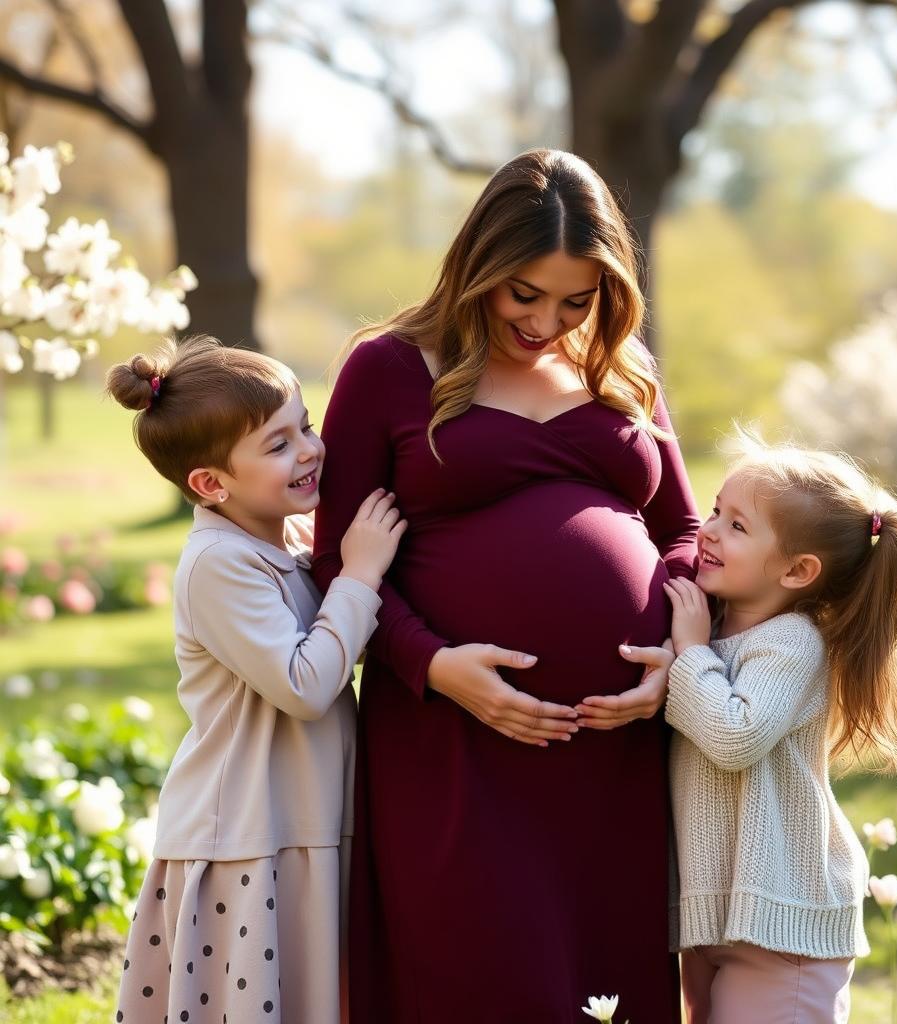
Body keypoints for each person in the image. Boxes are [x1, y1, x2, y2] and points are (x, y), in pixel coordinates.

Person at [312, 148, 701, 1023]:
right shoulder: (390, 368)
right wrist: (435, 665)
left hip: (613, 753)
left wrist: (673, 657)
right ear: (478, 264)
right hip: (455, 740)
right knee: (482, 973)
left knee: (608, 983)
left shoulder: (623, 368)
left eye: (576, 299)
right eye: (524, 292)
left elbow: (681, 530)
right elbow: (339, 562)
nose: (546, 321)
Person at [106, 336, 404, 1023]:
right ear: (211, 484)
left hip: (302, 817)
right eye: (277, 445)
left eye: (305, 425)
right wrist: (359, 575)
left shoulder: (285, 543)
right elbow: (304, 684)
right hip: (247, 833)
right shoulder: (219, 563)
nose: (308, 449)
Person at [622, 431, 897, 1024]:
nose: (708, 530)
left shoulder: (792, 644)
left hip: (783, 928)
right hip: (719, 916)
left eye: (737, 526)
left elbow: (735, 736)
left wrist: (686, 657)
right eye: (716, 510)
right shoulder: (714, 629)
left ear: (797, 570)